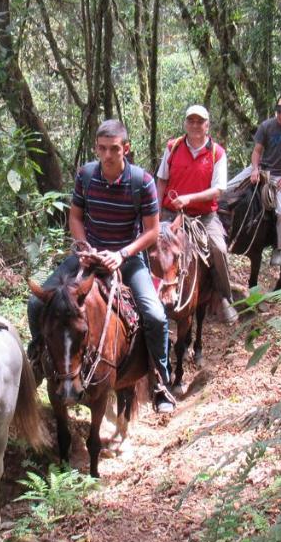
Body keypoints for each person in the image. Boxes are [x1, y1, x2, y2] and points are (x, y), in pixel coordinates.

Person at [27, 120, 176, 414]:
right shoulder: (85, 176)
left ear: (126, 149)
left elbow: (151, 231)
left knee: (155, 316)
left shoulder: (142, 182)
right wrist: (84, 247)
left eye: (114, 149)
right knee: (36, 302)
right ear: (96, 147)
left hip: (128, 258)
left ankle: (160, 381)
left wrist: (122, 254)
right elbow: (76, 218)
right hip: (88, 255)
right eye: (103, 149)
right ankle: (39, 360)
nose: (108, 155)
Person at [155, 104, 238, 325]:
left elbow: (218, 190)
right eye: (190, 121)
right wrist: (155, 212)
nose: (195, 125)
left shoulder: (216, 153)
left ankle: (223, 296)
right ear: (185, 123)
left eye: (199, 121)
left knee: (218, 248)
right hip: (170, 213)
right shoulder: (173, 147)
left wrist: (190, 198)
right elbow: (162, 180)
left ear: (207, 125)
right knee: (152, 249)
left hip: (203, 217)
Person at [231, 93, 281, 267]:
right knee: (229, 187)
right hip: (262, 168)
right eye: (279, 112)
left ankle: (280, 248)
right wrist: (255, 169)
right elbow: (257, 151)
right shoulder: (266, 126)